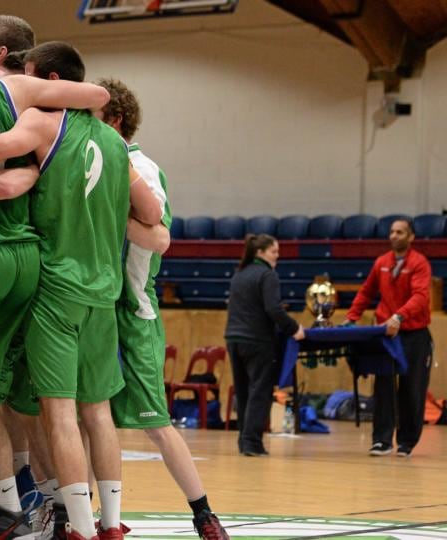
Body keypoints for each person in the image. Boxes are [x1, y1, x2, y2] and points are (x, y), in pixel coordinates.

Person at [0, 40, 164, 540]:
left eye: (32, 77)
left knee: (44, 411)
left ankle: (70, 522)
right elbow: (154, 225)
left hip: (52, 285)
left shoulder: (43, 123)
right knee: (96, 415)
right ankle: (110, 521)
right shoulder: (112, 142)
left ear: (53, 84)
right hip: (101, 293)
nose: (24, 86)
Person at [97, 77, 228, 539]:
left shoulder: (141, 169)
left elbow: (159, 237)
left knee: (157, 423)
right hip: (90, 307)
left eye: (91, 116)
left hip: (132, 313)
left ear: (114, 120)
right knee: (82, 415)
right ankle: (87, 512)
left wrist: (112, 216)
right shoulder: (89, 160)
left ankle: (204, 513)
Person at [346, 218, 433, 457]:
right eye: (392, 232)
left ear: (411, 237)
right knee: (383, 386)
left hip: (413, 334)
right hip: (386, 335)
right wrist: (352, 317)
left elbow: (420, 297)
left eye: (400, 232)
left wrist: (399, 316)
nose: (394, 236)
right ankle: (382, 440)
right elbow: (366, 291)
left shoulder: (419, 263)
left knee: (412, 388)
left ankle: (406, 441)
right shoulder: (382, 262)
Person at [225, 234, 305, 457]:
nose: (277, 256)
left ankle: (244, 441)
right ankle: (252, 442)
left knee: (242, 391)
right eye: (274, 252)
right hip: (257, 340)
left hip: (233, 338)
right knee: (259, 391)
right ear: (260, 253)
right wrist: (294, 328)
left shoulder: (240, 274)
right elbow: (273, 309)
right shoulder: (267, 275)